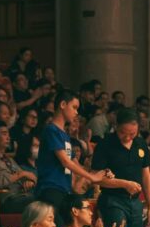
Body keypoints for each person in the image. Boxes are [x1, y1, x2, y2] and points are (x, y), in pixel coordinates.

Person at [89, 108, 150, 227]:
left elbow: (146, 176)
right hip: (113, 200)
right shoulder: (105, 144)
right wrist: (124, 184)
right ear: (116, 127)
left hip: (135, 202)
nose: (127, 137)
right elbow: (96, 178)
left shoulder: (140, 144)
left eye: (132, 133)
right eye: (123, 133)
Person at [35, 90, 110, 219]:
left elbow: (73, 162)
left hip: (64, 189)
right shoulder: (51, 130)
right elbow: (65, 161)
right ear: (63, 104)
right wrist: (92, 177)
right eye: (74, 107)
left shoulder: (65, 135)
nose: (76, 112)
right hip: (51, 188)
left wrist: (96, 173)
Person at [0, 119, 37, 214]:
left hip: (22, 195)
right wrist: (22, 174)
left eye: (8, 134)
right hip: (7, 200)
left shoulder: (9, 160)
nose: (8, 137)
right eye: (4, 134)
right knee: (41, 198)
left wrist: (29, 182)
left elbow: (28, 177)